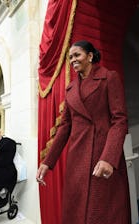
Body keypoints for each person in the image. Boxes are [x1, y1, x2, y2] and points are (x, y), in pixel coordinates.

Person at [36, 40, 131, 224]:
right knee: (78, 212)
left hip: (103, 156)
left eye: (77, 55)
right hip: (77, 159)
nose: (73, 60)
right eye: (70, 57)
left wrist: (109, 157)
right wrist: (47, 162)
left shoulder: (108, 77)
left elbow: (119, 120)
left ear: (90, 56)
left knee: (105, 213)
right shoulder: (70, 89)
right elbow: (64, 127)